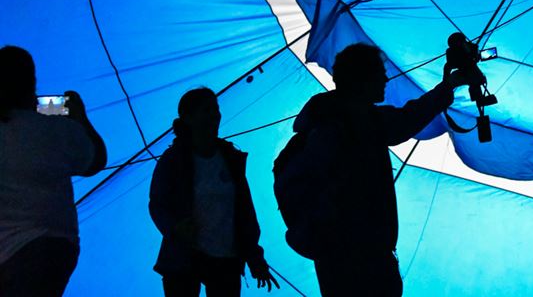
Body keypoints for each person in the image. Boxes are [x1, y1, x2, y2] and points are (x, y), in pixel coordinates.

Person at [293, 43, 467, 297]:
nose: (386, 78)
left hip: (333, 258)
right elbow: (407, 120)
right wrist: (450, 85)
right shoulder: (358, 121)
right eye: (379, 72)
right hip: (363, 259)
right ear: (361, 78)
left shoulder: (325, 118)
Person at [149, 87, 280, 296]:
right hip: (183, 258)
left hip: (225, 260)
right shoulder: (173, 159)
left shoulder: (230, 159)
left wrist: (255, 257)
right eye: (206, 110)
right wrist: (174, 228)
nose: (215, 116)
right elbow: (157, 203)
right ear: (188, 118)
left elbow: (245, 213)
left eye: (216, 109)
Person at [0, 46, 107, 297]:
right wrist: (80, 117)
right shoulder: (56, 129)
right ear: (32, 83)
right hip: (55, 248)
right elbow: (96, 160)